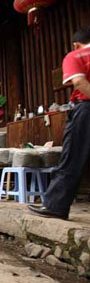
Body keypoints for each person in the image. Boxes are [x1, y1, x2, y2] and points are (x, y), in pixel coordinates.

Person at [29, 27, 90, 220]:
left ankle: (56, 205)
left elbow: (79, 82)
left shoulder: (76, 55)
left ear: (76, 44)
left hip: (86, 109)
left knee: (72, 158)